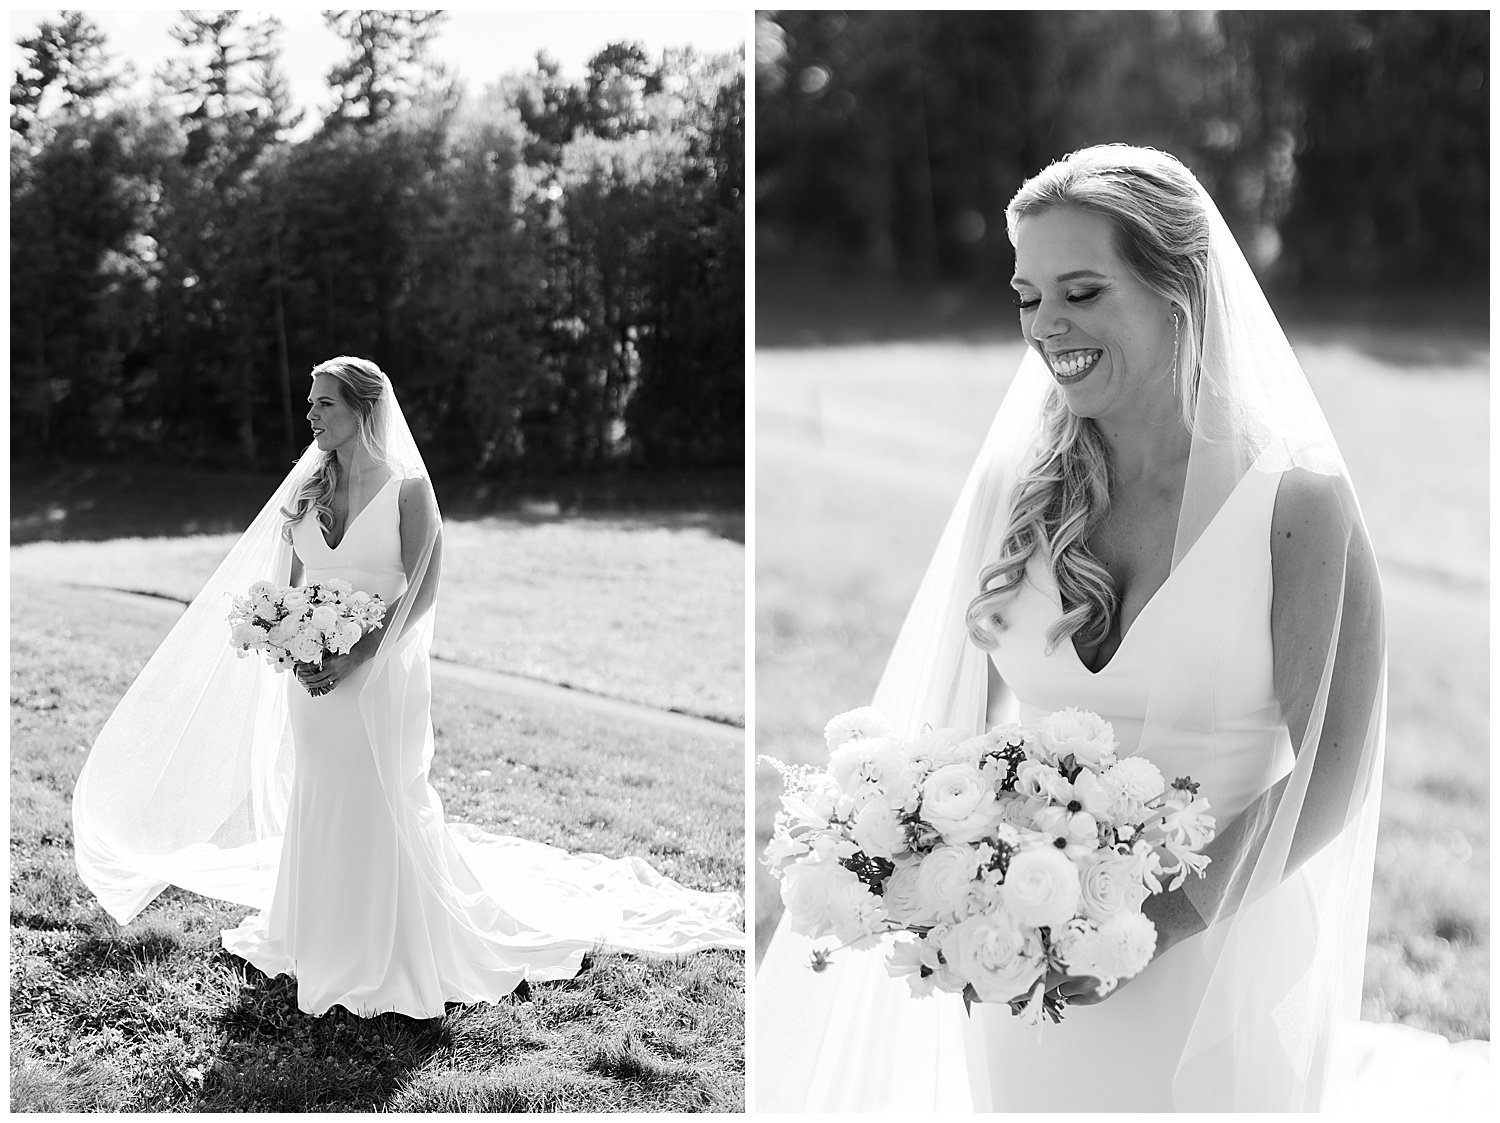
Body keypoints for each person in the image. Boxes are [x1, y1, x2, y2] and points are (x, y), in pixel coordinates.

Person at [754, 145, 1387, 1111]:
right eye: (1026, 295)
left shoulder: (1294, 503)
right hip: (1020, 962)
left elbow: (1332, 767)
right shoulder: (1018, 486)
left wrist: (1160, 922)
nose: (1047, 327)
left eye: (1082, 291)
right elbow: (952, 720)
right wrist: (921, 856)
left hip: (1219, 952)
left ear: (1180, 290)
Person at [73, 356, 743, 1019]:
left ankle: (386, 943)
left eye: (323, 402)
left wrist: (358, 652)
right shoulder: (308, 486)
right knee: (321, 788)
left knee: (380, 791)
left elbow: (421, 591)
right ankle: (317, 932)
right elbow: (285, 589)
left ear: (363, 409)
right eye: (311, 402)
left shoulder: (407, 490)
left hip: (382, 676)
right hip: (314, 681)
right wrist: (291, 644)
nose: (309, 413)